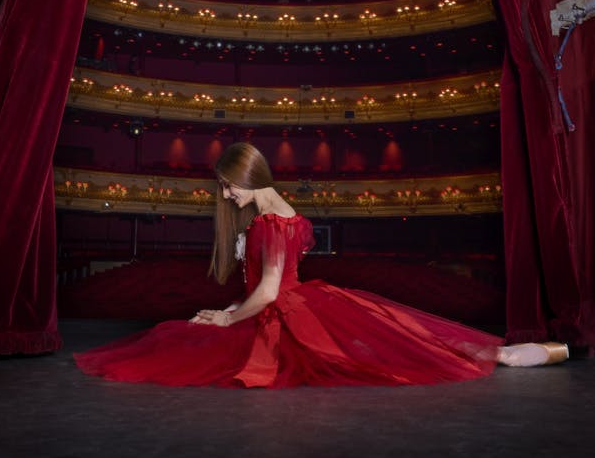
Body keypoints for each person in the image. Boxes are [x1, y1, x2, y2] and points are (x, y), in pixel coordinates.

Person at [74, 142, 568, 388]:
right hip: (301, 305)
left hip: (283, 314)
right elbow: (270, 285)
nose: (226, 195)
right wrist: (228, 309)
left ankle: (529, 354)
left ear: (249, 175)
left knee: (177, 343)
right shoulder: (288, 215)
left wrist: (227, 316)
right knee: (402, 343)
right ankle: (542, 352)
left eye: (229, 185)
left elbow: (269, 293)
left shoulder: (268, 221)